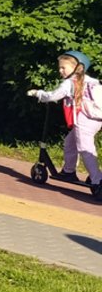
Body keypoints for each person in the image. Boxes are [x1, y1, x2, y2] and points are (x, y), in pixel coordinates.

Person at [29, 50, 102, 195]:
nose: (60, 70)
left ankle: (98, 180)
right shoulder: (91, 81)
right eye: (60, 67)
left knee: (86, 149)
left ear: (77, 67)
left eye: (63, 67)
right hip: (95, 120)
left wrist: (38, 93)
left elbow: (53, 96)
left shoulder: (69, 83)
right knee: (70, 142)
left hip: (84, 121)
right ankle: (69, 171)